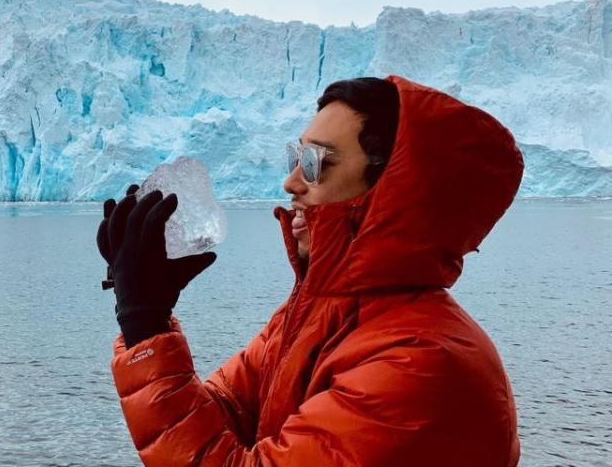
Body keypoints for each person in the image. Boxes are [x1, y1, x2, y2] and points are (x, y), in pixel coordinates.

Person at [95, 74, 523, 466]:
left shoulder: (421, 363)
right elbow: (222, 413)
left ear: (393, 192)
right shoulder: (315, 317)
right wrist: (145, 315)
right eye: (295, 157)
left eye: (318, 162)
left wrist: (145, 324)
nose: (291, 182)